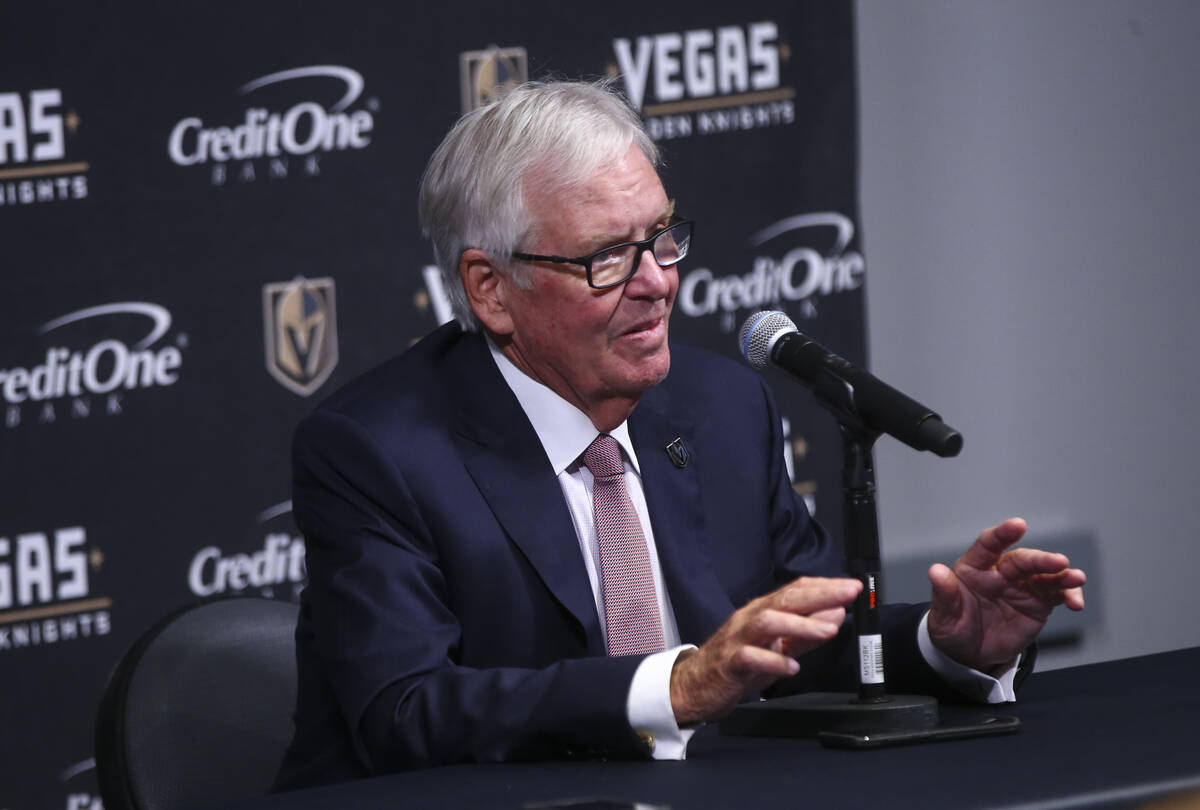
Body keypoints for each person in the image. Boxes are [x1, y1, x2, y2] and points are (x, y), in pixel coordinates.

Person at [273, 80, 1085, 790]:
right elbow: (407, 711)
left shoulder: (721, 406)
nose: (658, 282)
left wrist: (946, 644)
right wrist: (675, 690)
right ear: (491, 290)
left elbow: (803, 644)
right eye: (606, 258)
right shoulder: (376, 449)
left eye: (662, 237)